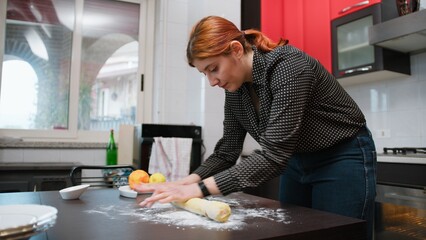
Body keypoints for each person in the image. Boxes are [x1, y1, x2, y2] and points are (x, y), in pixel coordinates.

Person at [135, 16, 376, 240]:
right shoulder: (236, 90)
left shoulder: (288, 66)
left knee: (340, 234)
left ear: (236, 50)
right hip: (296, 160)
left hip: (342, 156)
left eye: (213, 68)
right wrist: (182, 184)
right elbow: (226, 152)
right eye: (204, 73)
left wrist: (199, 190)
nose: (212, 81)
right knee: (295, 232)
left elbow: (273, 155)